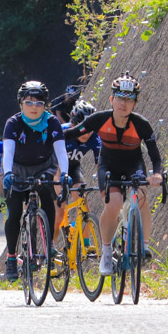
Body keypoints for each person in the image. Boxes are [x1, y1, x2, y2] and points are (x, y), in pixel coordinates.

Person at [64, 72, 163, 275]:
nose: (123, 104)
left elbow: (155, 157)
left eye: (129, 99)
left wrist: (157, 174)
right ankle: (107, 251)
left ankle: (143, 248)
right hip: (108, 165)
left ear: (135, 103)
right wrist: (48, 134)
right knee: (114, 204)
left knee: (142, 197)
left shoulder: (141, 124)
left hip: (133, 165)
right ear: (111, 99)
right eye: (119, 98)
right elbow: (72, 133)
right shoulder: (100, 119)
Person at [1, 80, 70, 281]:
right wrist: (7, 173)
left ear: (45, 105)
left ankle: (48, 244)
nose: (34, 107)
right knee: (14, 213)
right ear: (20, 103)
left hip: (43, 167)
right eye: (29, 102)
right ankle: (12, 258)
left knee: (47, 196)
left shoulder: (52, 122)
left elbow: (61, 151)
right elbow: (8, 151)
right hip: (16, 169)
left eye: (39, 103)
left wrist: (64, 173)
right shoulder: (13, 123)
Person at [55, 99, 102, 236]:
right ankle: (64, 228)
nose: (86, 134)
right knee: (61, 201)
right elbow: (56, 168)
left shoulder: (94, 137)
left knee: (83, 202)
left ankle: (86, 246)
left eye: (90, 130)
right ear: (73, 124)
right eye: (83, 129)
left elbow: (100, 165)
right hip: (56, 168)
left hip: (74, 167)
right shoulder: (63, 133)